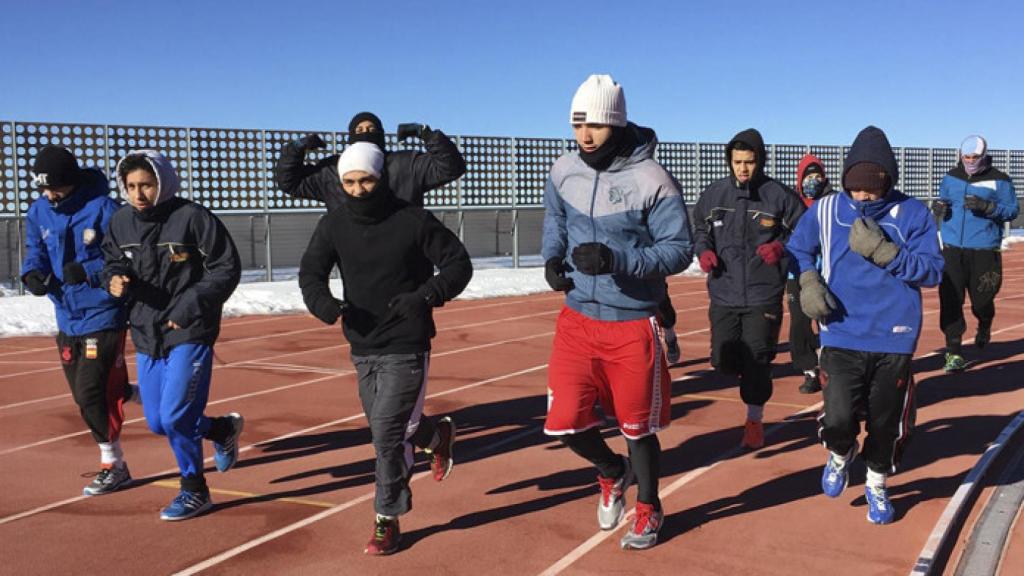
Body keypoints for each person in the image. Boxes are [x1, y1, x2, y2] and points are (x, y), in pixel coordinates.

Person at [542, 74, 693, 550]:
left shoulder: (653, 180)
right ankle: (611, 470)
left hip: (632, 323)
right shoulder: (563, 169)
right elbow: (556, 219)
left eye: (596, 125)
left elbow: (679, 250)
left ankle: (649, 507)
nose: (585, 135)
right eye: (577, 125)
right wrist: (551, 257)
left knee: (637, 429)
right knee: (564, 421)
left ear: (619, 123)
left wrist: (617, 260)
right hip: (577, 319)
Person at [298, 142, 472, 555]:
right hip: (362, 343)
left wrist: (425, 295)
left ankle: (386, 518)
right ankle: (435, 436)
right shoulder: (333, 225)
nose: (358, 189)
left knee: (387, 434)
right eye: (349, 182)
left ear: (381, 178)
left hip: (407, 341)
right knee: (388, 427)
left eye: (366, 180)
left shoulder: (412, 220)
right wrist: (325, 305)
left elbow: (458, 264)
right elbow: (310, 273)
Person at [787, 125, 943, 524]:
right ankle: (841, 452)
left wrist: (887, 254)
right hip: (841, 330)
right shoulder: (826, 210)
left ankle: (877, 482)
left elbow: (932, 271)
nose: (862, 197)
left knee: (885, 422)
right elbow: (798, 249)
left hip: (893, 337)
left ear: (888, 181)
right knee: (838, 416)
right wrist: (808, 281)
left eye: (871, 189)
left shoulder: (913, 213)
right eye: (855, 188)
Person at [102, 150, 244, 521]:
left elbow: (226, 267)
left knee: (176, 415)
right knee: (157, 422)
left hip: (190, 329)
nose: (139, 194)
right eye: (131, 186)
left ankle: (194, 489)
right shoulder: (120, 222)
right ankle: (220, 428)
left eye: (146, 185)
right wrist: (113, 279)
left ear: (164, 182)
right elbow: (111, 260)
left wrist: (189, 307)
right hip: (146, 330)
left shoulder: (192, 218)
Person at [21, 145, 137, 496]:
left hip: (103, 311)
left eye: (54, 187)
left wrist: (89, 273)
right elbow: (35, 251)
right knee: (93, 391)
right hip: (66, 315)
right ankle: (175, 406)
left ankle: (113, 464)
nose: (48, 194)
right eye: (43, 187)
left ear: (71, 181)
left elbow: (127, 257)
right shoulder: (39, 210)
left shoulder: (103, 209)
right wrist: (32, 274)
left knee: (90, 393)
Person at [691, 128, 804, 449]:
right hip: (724, 291)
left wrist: (781, 247)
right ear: (729, 161)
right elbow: (699, 228)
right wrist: (704, 250)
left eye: (750, 162)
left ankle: (754, 419)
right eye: (737, 161)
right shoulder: (714, 195)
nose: (743, 168)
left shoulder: (778, 196)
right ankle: (748, 372)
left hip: (762, 293)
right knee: (723, 362)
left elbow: (805, 230)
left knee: (757, 361)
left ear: (760, 161)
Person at [933, 135, 1019, 373]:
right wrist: (939, 208)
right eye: (966, 157)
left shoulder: (1000, 180)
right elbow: (943, 200)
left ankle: (985, 322)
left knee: (982, 300)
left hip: (984, 248)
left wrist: (988, 207)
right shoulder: (951, 177)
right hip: (952, 247)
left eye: (975, 157)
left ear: (984, 156)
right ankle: (953, 351)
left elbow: (1012, 210)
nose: (970, 161)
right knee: (950, 299)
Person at [273, 112, 466, 210]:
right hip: (354, 260)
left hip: (406, 255)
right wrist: (295, 149)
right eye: (359, 131)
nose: (365, 134)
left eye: (372, 130)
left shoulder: (407, 164)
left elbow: (451, 167)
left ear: (381, 135)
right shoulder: (332, 171)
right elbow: (290, 182)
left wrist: (427, 134)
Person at [788, 154, 835, 393]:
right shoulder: (791, 204)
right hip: (796, 273)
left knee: (828, 320)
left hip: (827, 272)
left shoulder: (833, 202)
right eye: (808, 176)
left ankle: (833, 367)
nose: (812, 181)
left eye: (817, 175)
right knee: (799, 323)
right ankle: (809, 370)